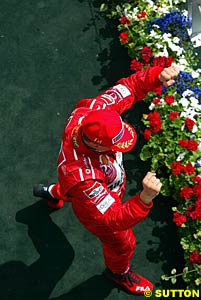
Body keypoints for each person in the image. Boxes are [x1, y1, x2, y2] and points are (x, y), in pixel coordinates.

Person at [33, 65, 179, 295]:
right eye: (115, 145)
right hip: (92, 200)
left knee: (70, 188)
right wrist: (145, 198)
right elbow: (112, 219)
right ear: (96, 144)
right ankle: (118, 273)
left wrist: (155, 76)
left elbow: (128, 87)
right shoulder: (85, 179)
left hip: (75, 184)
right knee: (123, 244)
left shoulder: (95, 110)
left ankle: (52, 193)